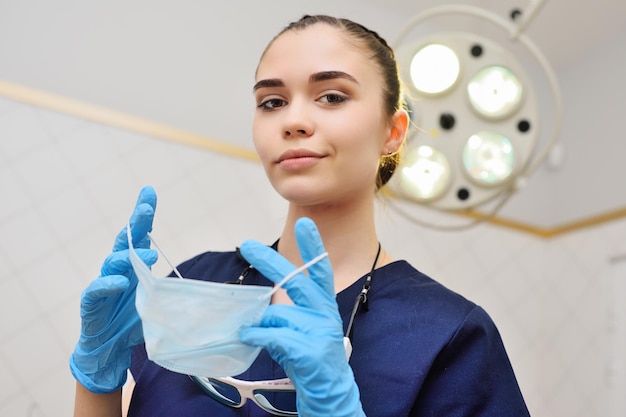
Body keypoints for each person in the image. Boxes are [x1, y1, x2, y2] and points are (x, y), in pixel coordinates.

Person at [70, 14, 531, 417]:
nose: (293, 120)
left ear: (393, 132)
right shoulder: (194, 283)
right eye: (272, 102)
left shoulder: (447, 332)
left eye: (331, 96)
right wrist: (96, 380)